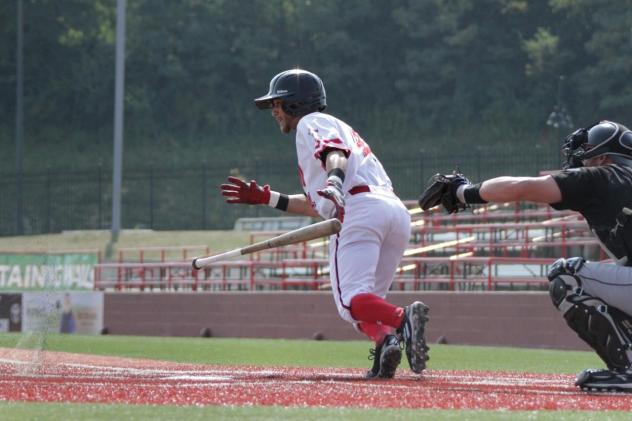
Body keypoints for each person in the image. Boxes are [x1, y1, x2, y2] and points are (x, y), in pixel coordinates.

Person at [220, 68, 429, 379]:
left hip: (359, 212)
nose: (274, 111)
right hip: (392, 211)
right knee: (366, 302)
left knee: (351, 301)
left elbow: (334, 154)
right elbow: (321, 204)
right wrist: (269, 198)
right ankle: (387, 343)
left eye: (277, 103)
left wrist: (333, 180)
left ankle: (402, 320)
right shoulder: (340, 126)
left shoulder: (310, 123)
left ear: (294, 103)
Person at [419, 120, 632, 392]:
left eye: (588, 151)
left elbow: (520, 188)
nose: (582, 158)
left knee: (566, 276)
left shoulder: (603, 176)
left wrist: (463, 192)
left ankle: (628, 368)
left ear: (602, 156)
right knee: (606, 275)